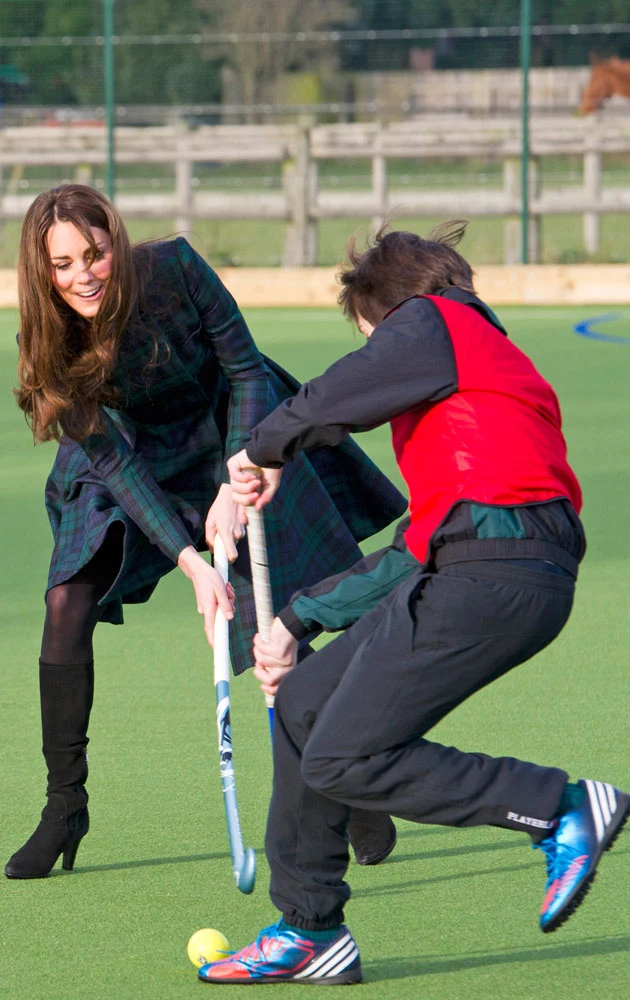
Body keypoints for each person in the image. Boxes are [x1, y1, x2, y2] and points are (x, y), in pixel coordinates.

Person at [196, 222, 630, 984]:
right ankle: (309, 929)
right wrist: (298, 623)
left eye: (370, 335)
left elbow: (338, 394)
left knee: (343, 755)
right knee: (301, 704)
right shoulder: (473, 402)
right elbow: (416, 549)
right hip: (486, 566)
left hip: (494, 574)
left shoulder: (434, 321)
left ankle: (559, 806)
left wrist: (259, 450)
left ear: (384, 314)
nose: (376, 355)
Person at [4, 184, 407, 881]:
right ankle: (64, 806)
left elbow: (246, 369)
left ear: (116, 242)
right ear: (42, 276)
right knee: (65, 604)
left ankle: (343, 780)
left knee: (268, 624)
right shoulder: (48, 337)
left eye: (94, 253)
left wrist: (235, 478)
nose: (82, 275)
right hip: (122, 456)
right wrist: (191, 562)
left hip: (233, 428)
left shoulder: (177, 270)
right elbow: (114, 464)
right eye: (62, 266)